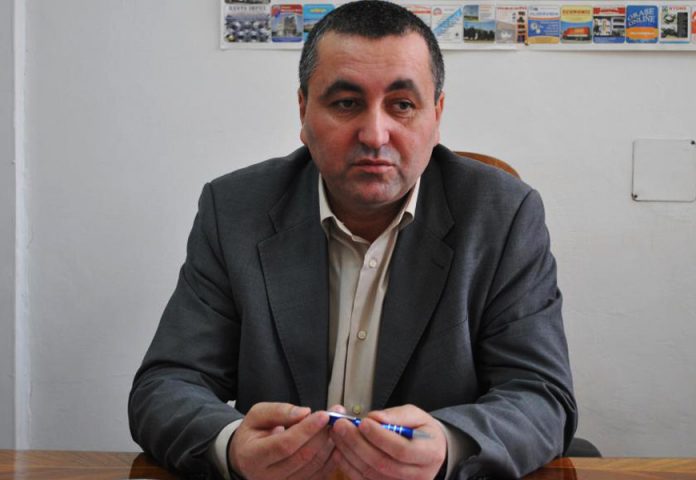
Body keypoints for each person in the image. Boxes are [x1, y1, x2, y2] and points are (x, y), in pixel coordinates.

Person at [128, 1, 577, 479]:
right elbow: (167, 384)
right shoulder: (236, 210)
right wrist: (233, 444)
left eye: (402, 105)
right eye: (346, 103)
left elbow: (541, 396)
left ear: (437, 115)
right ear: (303, 110)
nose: (375, 134)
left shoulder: (503, 216)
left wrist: (451, 445)